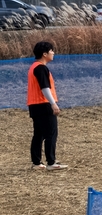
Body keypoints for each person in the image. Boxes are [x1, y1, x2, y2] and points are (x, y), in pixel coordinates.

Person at [27, 41, 67, 170]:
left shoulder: (33, 67)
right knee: (51, 133)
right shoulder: (41, 68)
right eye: (51, 51)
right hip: (43, 104)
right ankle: (51, 162)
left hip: (34, 105)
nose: (53, 53)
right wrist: (53, 103)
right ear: (44, 54)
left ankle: (37, 163)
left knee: (38, 134)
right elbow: (45, 88)